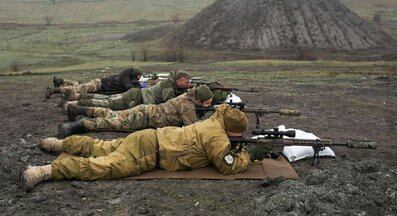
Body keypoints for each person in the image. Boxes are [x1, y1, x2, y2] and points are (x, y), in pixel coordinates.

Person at [22, 104, 271, 191]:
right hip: (150, 153)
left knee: (101, 146)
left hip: (148, 137)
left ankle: (56, 144)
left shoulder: (214, 120)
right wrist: (250, 156)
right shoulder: (217, 137)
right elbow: (226, 166)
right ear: (230, 129)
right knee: (101, 167)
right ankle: (44, 171)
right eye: (239, 134)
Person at [58, 86, 214, 137]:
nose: (208, 105)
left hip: (146, 110)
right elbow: (193, 128)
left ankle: (78, 109)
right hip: (145, 118)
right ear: (199, 100)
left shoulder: (188, 95)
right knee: (113, 122)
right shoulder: (187, 105)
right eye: (206, 103)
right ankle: (74, 127)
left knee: (112, 114)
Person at [65, 70, 191, 111]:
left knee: (106, 100)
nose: (187, 83)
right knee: (108, 103)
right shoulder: (167, 84)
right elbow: (169, 100)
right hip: (135, 98)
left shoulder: (172, 84)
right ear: (178, 80)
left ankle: (77, 99)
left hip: (135, 96)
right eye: (185, 81)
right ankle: (74, 104)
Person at [45, 68, 143, 101]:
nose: (139, 78)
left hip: (101, 88)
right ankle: (53, 90)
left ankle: (61, 85)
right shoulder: (125, 76)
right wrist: (138, 84)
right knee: (78, 88)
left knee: (78, 88)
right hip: (98, 84)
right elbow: (128, 87)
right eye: (138, 76)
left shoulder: (129, 78)